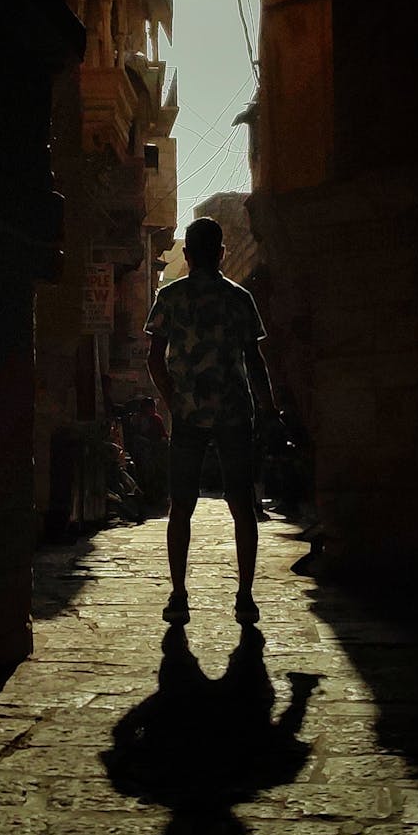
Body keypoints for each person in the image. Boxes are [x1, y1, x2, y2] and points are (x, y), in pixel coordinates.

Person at [144, 216, 277, 625]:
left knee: (180, 506)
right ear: (221, 253)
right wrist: (269, 410)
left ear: (187, 254)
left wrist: (173, 399)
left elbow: (154, 358)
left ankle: (179, 594)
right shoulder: (239, 299)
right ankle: (245, 596)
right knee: (242, 505)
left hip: (188, 415)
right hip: (235, 414)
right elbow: (254, 360)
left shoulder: (169, 298)